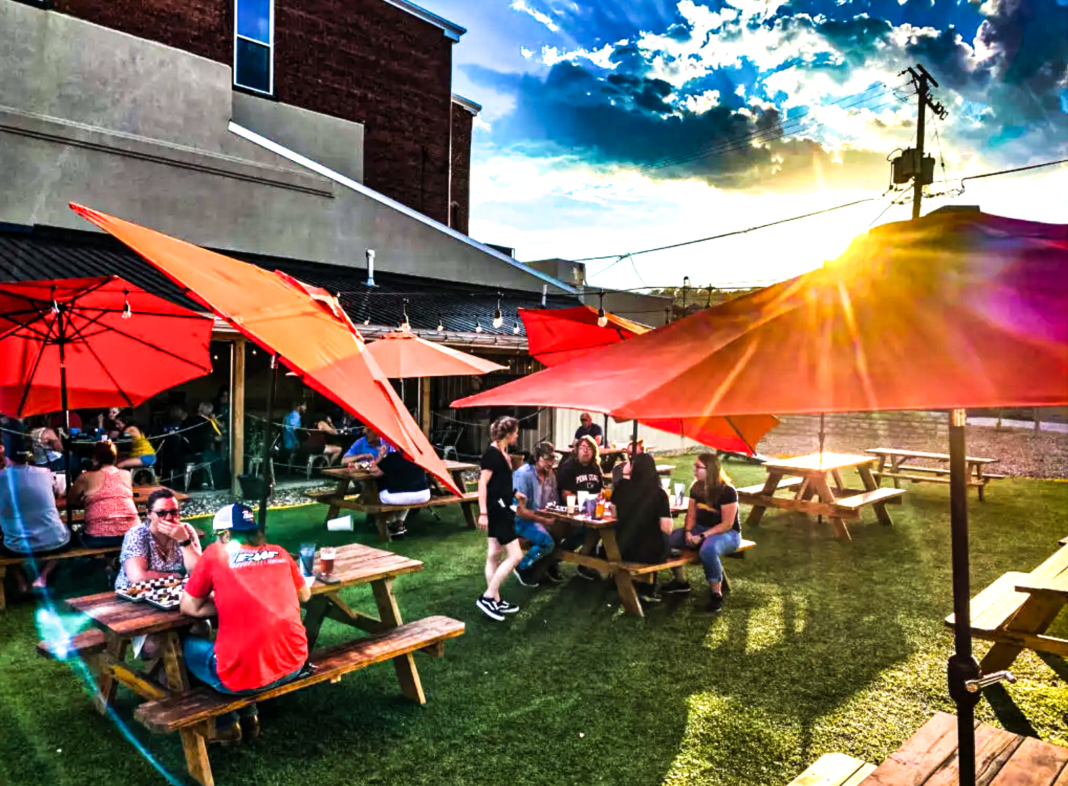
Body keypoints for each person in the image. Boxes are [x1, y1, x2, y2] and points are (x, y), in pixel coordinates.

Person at [180, 504, 310, 745]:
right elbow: (305, 596)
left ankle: (225, 724)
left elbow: (189, 608)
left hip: (242, 680)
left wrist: (229, 601)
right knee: (241, 650)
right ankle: (249, 715)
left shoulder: (215, 554)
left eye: (217, 535)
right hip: (294, 663)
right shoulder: (280, 552)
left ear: (226, 534)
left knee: (184, 646)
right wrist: (240, 601)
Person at [664, 452, 741, 612]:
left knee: (708, 549)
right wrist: (687, 532)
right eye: (695, 465)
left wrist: (702, 536)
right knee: (667, 541)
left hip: (727, 534)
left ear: (710, 470)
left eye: (698, 467)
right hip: (699, 529)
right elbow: (691, 515)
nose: (694, 469)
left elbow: (727, 524)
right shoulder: (696, 487)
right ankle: (681, 583)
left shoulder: (727, 491)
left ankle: (716, 594)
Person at [0, 436, 70, 591]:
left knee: (4, 543)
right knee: (66, 535)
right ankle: (42, 577)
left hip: (16, 547)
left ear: (6, 456)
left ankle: (21, 581)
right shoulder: (45, 472)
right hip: (54, 542)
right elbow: (55, 494)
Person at [475, 416, 523, 622]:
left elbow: (499, 482)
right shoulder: (492, 454)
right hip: (497, 511)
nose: (518, 435)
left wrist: (514, 493)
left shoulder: (503, 452)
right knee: (516, 555)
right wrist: (483, 512)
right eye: (516, 432)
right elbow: (483, 484)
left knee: (494, 553)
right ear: (508, 433)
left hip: (503, 506)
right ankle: (487, 597)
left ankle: (495, 599)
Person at [612, 453, 672, 604]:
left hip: (623, 547)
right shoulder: (659, 494)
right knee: (664, 540)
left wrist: (625, 475)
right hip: (649, 552)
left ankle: (640, 585)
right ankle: (647, 590)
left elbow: (613, 512)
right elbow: (667, 528)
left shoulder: (621, 488)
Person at [114, 488, 201, 592]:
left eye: (174, 512)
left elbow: (199, 572)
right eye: (161, 513)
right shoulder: (137, 534)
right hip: (135, 594)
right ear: (149, 514)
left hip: (171, 592)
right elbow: (137, 578)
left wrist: (184, 541)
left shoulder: (185, 531)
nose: (169, 517)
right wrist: (175, 576)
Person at [67, 441, 139, 548]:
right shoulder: (126, 474)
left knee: (77, 533)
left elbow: (71, 501)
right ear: (115, 457)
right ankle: (112, 562)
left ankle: (107, 562)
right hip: (133, 534)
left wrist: (88, 500)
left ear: (95, 458)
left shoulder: (86, 477)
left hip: (98, 537)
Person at [511, 442, 563, 586]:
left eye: (553, 459)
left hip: (542, 518)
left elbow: (554, 501)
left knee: (567, 532)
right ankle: (522, 566)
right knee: (547, 542)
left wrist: (554, 515)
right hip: (521, 521)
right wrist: (544, 520)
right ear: (537, 458)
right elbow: (519, 511)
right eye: (547, 459)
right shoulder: (523, 475)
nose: (551, 463)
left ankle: (547, 566)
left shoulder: (551, 474)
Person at [371, 445, 431, 538]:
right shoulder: (421, 457)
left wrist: (381, 455)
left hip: (398, 496)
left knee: (376, 493)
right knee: (406, 493)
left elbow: (374, 472)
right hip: (423, 495)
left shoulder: (393, 457)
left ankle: (393, 521)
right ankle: (399, 523)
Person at [557, 436, 604, 501]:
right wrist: (585, 500)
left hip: (594, 505)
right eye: (583, 447)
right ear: (577, 450)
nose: (586, 450)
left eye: (589, 448)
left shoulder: (595, 467)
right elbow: (565, 495)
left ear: (594, 452)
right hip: (575, 507)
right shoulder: (568, 467)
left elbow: (601, 490)